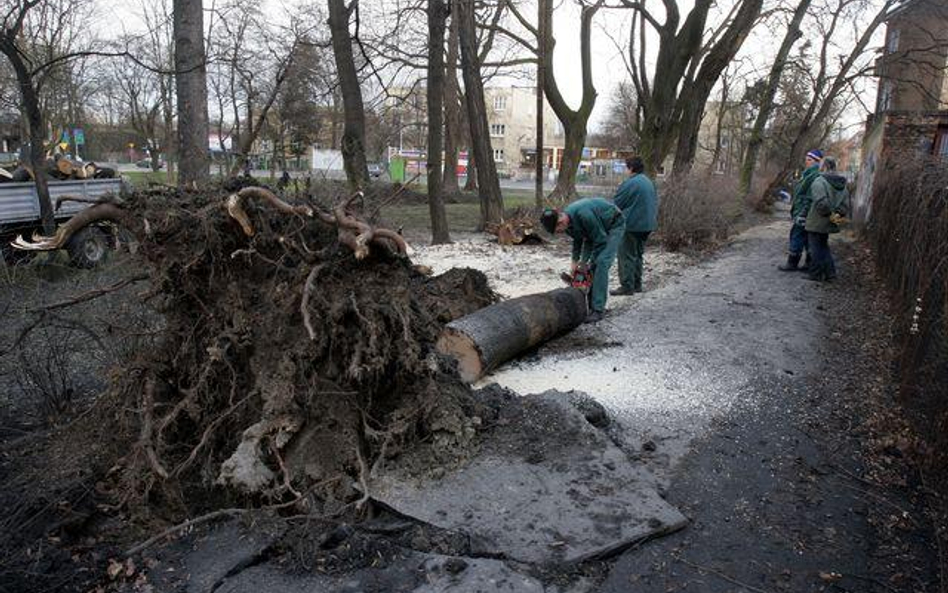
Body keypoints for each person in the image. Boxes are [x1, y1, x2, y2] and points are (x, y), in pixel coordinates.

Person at [540, 197, 625, 324]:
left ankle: (598, 309)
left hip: (614, 225)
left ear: (560, 222)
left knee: (601, 263)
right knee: (590, 266)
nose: (558, 233)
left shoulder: (584, 215)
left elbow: (600, 240)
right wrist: (575, 262)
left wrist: (587, 263)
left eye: (557, 231)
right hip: (597, 230)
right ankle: (590, 305)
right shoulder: (568, 224)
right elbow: (578, 240)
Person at [610, 156, 658, 295]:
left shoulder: (629, 183)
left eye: (626, 167)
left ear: (631, 168)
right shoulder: (649, 182)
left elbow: (617, 204)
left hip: (631, 224)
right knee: (638, 254)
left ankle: (627, 286)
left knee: (626, 255)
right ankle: (637, 284)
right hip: (647, 224)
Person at [804, 156, 849, 282]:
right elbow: (845, 206)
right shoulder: (842, 184)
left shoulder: (819, 181)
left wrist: (829, 214)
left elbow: (821, 203)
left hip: (817, 220)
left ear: (823, 166)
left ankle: (816, 274)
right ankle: (830, 274)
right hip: (831, 221)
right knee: (823, 246)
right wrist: (835, 215)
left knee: (815, 248)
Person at [779, 149, 823, 272]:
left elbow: (809, 196)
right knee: (807, 237)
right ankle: (808, 264)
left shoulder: (813, 175)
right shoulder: (808, 174)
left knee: (797, 235)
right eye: (806, 160)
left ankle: (792, 263)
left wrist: (802, 213)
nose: (806, 162)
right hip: (805, 211)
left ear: (816, 162)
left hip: (804, 212)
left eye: (809, 160)